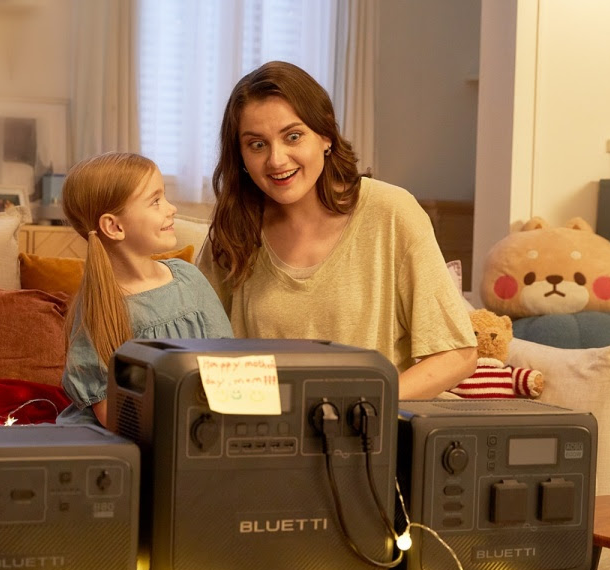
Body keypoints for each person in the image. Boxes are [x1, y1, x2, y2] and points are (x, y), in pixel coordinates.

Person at [197, 61, 476, 399]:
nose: (276, 160)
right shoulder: (233, 229)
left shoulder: (392, 212)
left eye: (293, 136)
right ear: (240, 155)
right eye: (257, 144)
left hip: (367, 436)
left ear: (325, 136)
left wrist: (364, 407)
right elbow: (196, 352)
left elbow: (457, 355)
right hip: (262, 437)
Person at [58, 152, 233, 427]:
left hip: (194, 424)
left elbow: (227, 360)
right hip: (131, 435)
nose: (171, 208)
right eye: (155, 201)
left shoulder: (189, 278)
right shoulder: (98, 308)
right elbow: (114, 417)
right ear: (114, 226)